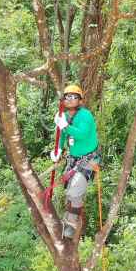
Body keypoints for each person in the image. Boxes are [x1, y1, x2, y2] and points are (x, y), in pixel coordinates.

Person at [50, 84, 100, 239]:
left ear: (80, 100)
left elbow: (82, 134)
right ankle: (69, 216)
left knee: (75, 190)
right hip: (73, 159)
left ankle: (71, 224)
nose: (70, 100)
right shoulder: (63, 116)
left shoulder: (85, 115)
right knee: (69, 191)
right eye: (67, 97)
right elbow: (62, 135)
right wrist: (57, 150)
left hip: (88, 159)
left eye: (74, 97)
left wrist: (65, 126)